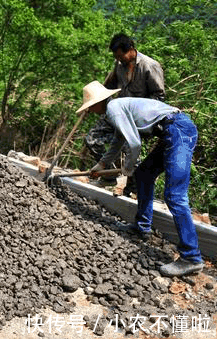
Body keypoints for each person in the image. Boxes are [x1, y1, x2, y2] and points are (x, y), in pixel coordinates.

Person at [78, 80, 204, 277]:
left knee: (174, 195)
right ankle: (141, 227)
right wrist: (101, 165)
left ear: (96, 104)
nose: (91, 112)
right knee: (143, 175)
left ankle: (192, 257)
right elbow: (119, 141)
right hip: (173, 131)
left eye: (90, 108)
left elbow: (134, 144)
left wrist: (126, 169)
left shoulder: (113, 109)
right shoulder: (117, 107)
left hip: (178, 130)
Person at [84, 33, 165, 191]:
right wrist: (94, 102)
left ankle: (133, 190)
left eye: (121, 55)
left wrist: (142, 115)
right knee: (92, 139)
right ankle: (108, 176)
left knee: (131, 150)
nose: (119, 59)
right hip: (118, 111)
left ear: (131, 50)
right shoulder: (119, 65)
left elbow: (159, 97)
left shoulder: (149, 66)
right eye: (116, 56)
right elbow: (108, 86)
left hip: (138, 116)